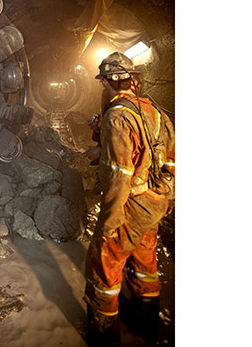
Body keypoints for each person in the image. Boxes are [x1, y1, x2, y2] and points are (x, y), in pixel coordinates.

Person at [83, 52, 175, 346]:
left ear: (109, 82)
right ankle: (145, 323)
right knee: (145, 261)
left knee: (104, 265)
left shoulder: (117, 116)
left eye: (103, 83)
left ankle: (104, 335)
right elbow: (167, 157)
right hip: (154, 203)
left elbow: (118, 177)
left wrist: (108, 223)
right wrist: (167, 198)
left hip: (131, 206)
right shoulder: (154, 110)